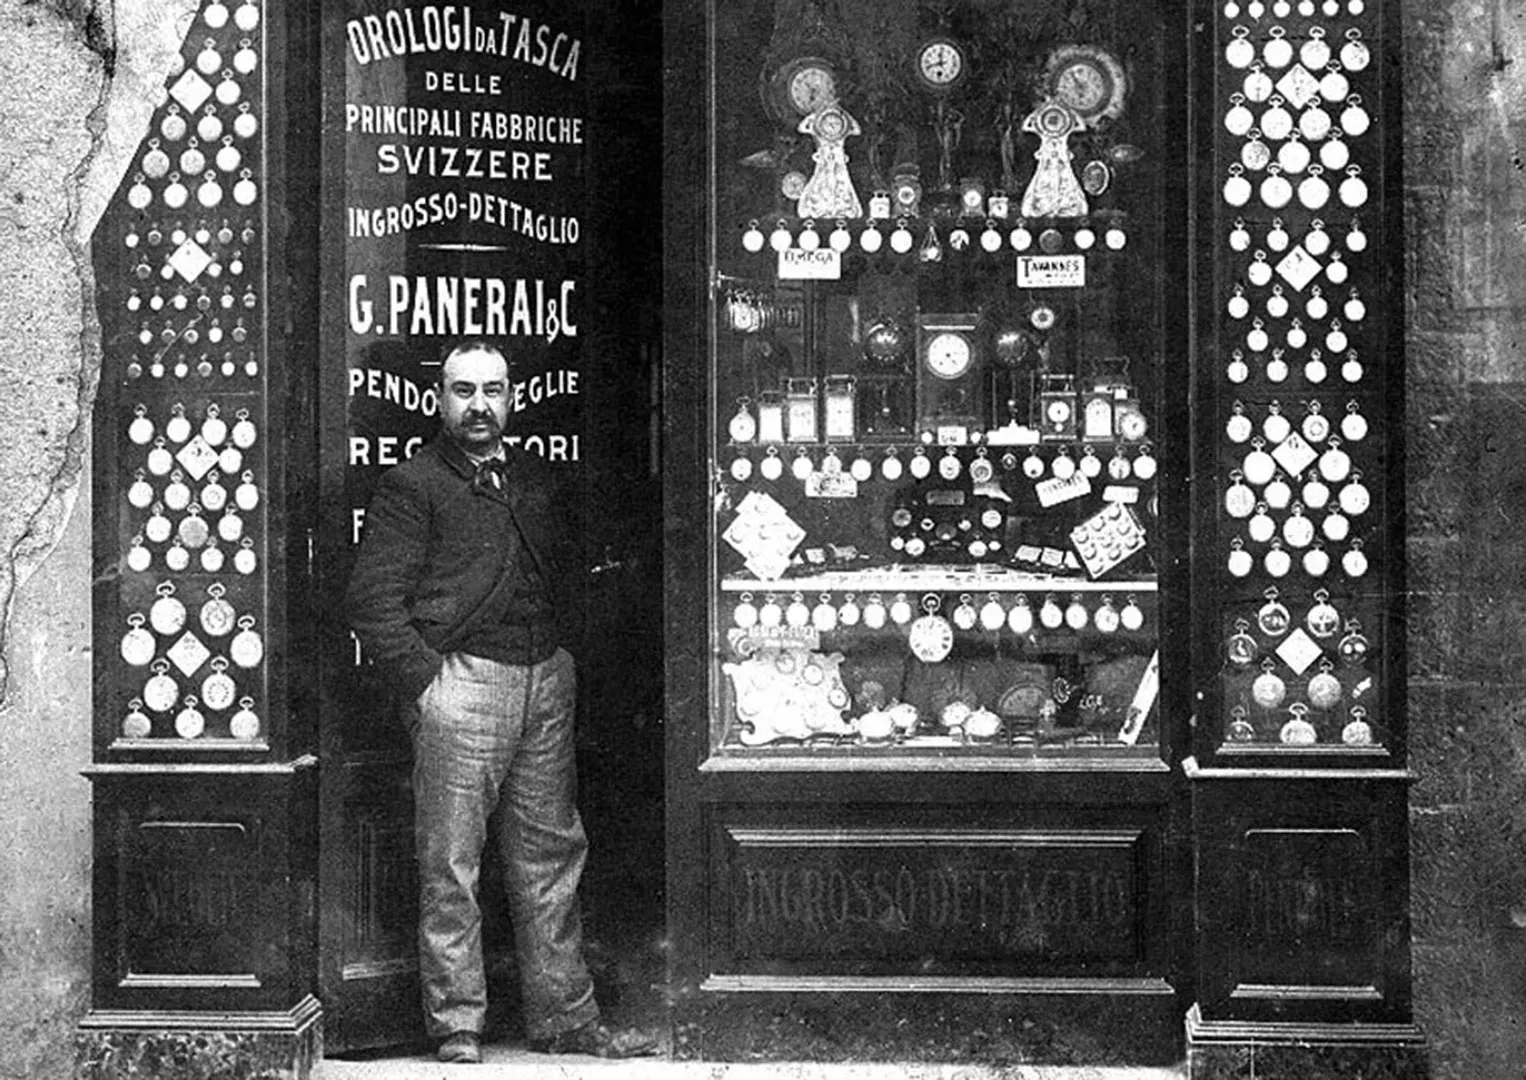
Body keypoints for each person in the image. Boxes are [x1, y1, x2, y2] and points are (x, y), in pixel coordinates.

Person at [345, 338, 658, 1063]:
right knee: (451, 862)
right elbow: (370, 603)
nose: (479, 405)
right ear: (440, 401)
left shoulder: (535, 476)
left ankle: (565, 1017)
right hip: (464, 687)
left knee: (552, 854)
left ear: (512, 400)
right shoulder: (413, 484)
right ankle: (457, 1023)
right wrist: (430, 684)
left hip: (545, 678)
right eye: (463, 391)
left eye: (493, 390)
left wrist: (565, 657)